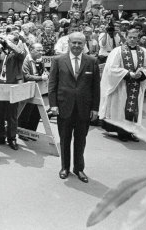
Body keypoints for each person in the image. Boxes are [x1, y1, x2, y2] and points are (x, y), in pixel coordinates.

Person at [48, 32, 100, 183]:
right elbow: (52, 85)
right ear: (68, 43)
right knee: (64, 139)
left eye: (80, 43)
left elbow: (95, 87)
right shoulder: (58, 60)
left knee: (80, 140)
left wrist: (95, 108)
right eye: (74, 43)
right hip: (64, 107)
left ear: (84, 45)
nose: (77, 46)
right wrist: (53, 105)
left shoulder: (92, 61)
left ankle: (79, 169)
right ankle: (65, 167)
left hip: (84, 109)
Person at [99, 28, 146, 142]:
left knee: (134, 110)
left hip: (136, 87)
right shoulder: (117, 51)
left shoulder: (144, 52)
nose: (132, 40)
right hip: (121, 86)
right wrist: (129, 74)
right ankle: (122, 132)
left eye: (135, 37)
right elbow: (111, 69)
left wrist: (142, 74)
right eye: (130, 37)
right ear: (126, 37)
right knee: (120, 109)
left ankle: (132, 132)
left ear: (138, 38)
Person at [0, 30, 26, 150]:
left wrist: (9, 44)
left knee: (12, 114)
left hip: (12, 85)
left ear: (15, 43)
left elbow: (21, 54)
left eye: (10, 40)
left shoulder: (18, 53)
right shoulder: (1, 52)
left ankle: (12, 138)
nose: (6, 42)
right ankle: (0, 136)